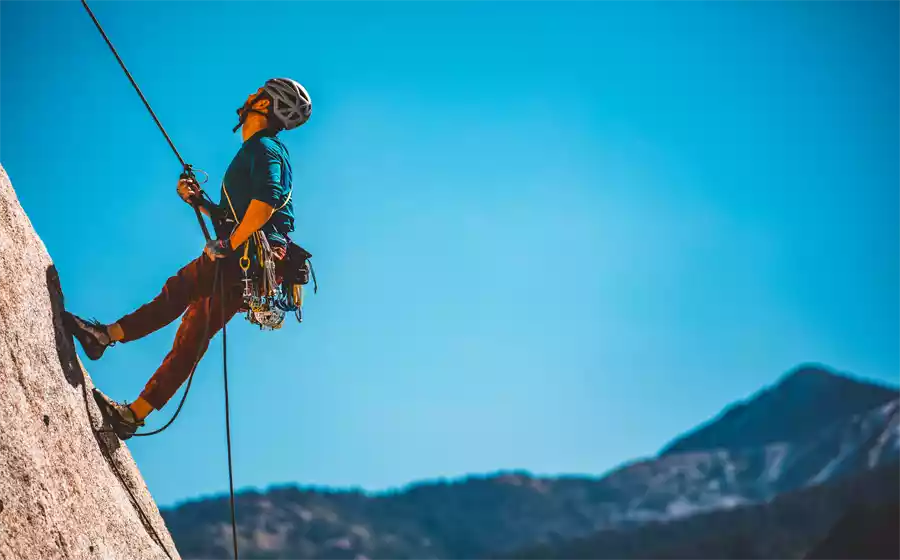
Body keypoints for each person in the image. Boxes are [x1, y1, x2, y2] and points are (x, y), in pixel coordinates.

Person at [66, 78, 312, 439]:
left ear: (265, 105)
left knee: (177, 291)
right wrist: (200, 202)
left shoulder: (265, 148)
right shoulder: (262, 150)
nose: (248, 96)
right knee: (193, 335)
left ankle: (103, 336)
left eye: (256, 94)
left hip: (243, 256)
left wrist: (229, 245)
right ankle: (134, 414)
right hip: (253, 266)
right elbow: (244, 213)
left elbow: (267, 201)